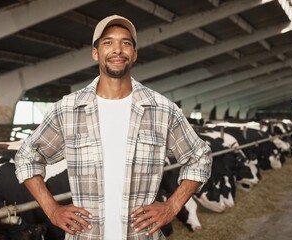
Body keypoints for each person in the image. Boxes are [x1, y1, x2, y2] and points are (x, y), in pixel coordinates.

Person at [15, 15, 212, 240]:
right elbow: (26, 156)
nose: (117, 49)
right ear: (95, 52)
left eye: (125, 43)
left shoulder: (161, 109)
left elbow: (200, 156)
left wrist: (172, 206)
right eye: (108, 42)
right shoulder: (67, 109)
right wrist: (52, 209)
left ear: (135, 54)